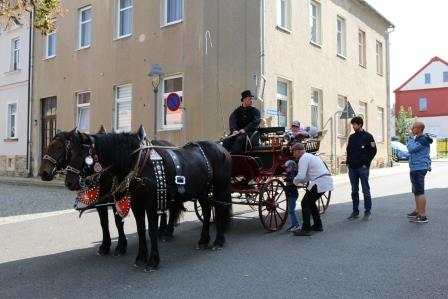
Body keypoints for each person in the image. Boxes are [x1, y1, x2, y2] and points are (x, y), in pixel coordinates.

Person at [291, 143, 333, 236]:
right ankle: (318, 225)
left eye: (293, 152)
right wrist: (297, 182)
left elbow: (301, 176)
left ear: (298, 151)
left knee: (305, 202)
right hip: (324, 180)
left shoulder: (303, 158)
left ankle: (306, 229)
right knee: (311, 202)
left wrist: (293, 182)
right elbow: (306, 177)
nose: (293, 154)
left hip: (320, 182)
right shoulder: (310, 156)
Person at [346, 116, 377, 220]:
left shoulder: (368, 136)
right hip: (352, 168)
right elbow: (349, 151)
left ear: (359, 124)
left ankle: (367, 211)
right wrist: (348, 163)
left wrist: (366, 163)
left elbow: (373, 151)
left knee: (365, 190)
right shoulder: (351, 137)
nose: (353, 126)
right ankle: (355, 211)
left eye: (354, 124)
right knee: (354, 190)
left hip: (363, 168)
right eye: (352, 124)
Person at [407, 121, 432, 223]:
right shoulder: (419, 139)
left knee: (420, 192)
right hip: (415, 168)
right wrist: (428, 163)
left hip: (418, 168)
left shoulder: (422, 139)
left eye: (413, 127)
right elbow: (425, 154)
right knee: (416, 192)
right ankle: (418, 211)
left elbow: (411, 149)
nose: (412, 129)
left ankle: (422, 216)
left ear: (419, 129)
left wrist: (409, 138)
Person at [222, 90, 261, 154]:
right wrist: (234, 130)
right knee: (226, 140)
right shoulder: (237, 111)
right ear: (244, 100)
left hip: (250, 133)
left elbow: (255, 122)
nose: (251, 100)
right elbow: (232, 121)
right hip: (237, 133)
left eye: (251, 99)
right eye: (249, 99)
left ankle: (235, 159)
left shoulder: (255, 111)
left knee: (239, 140)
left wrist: (245, 129)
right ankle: (224, 158)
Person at [283, 160, 300, 232]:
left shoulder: (293, 173)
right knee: (291, 210)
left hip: (292, 195)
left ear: (291, 167)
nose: (286, 169)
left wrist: (285, 178)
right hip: (290, 194)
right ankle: (294, 225)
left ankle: (296, 225)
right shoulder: (290, 173)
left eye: (287, 168)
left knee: (292, 210)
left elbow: (292, 180)